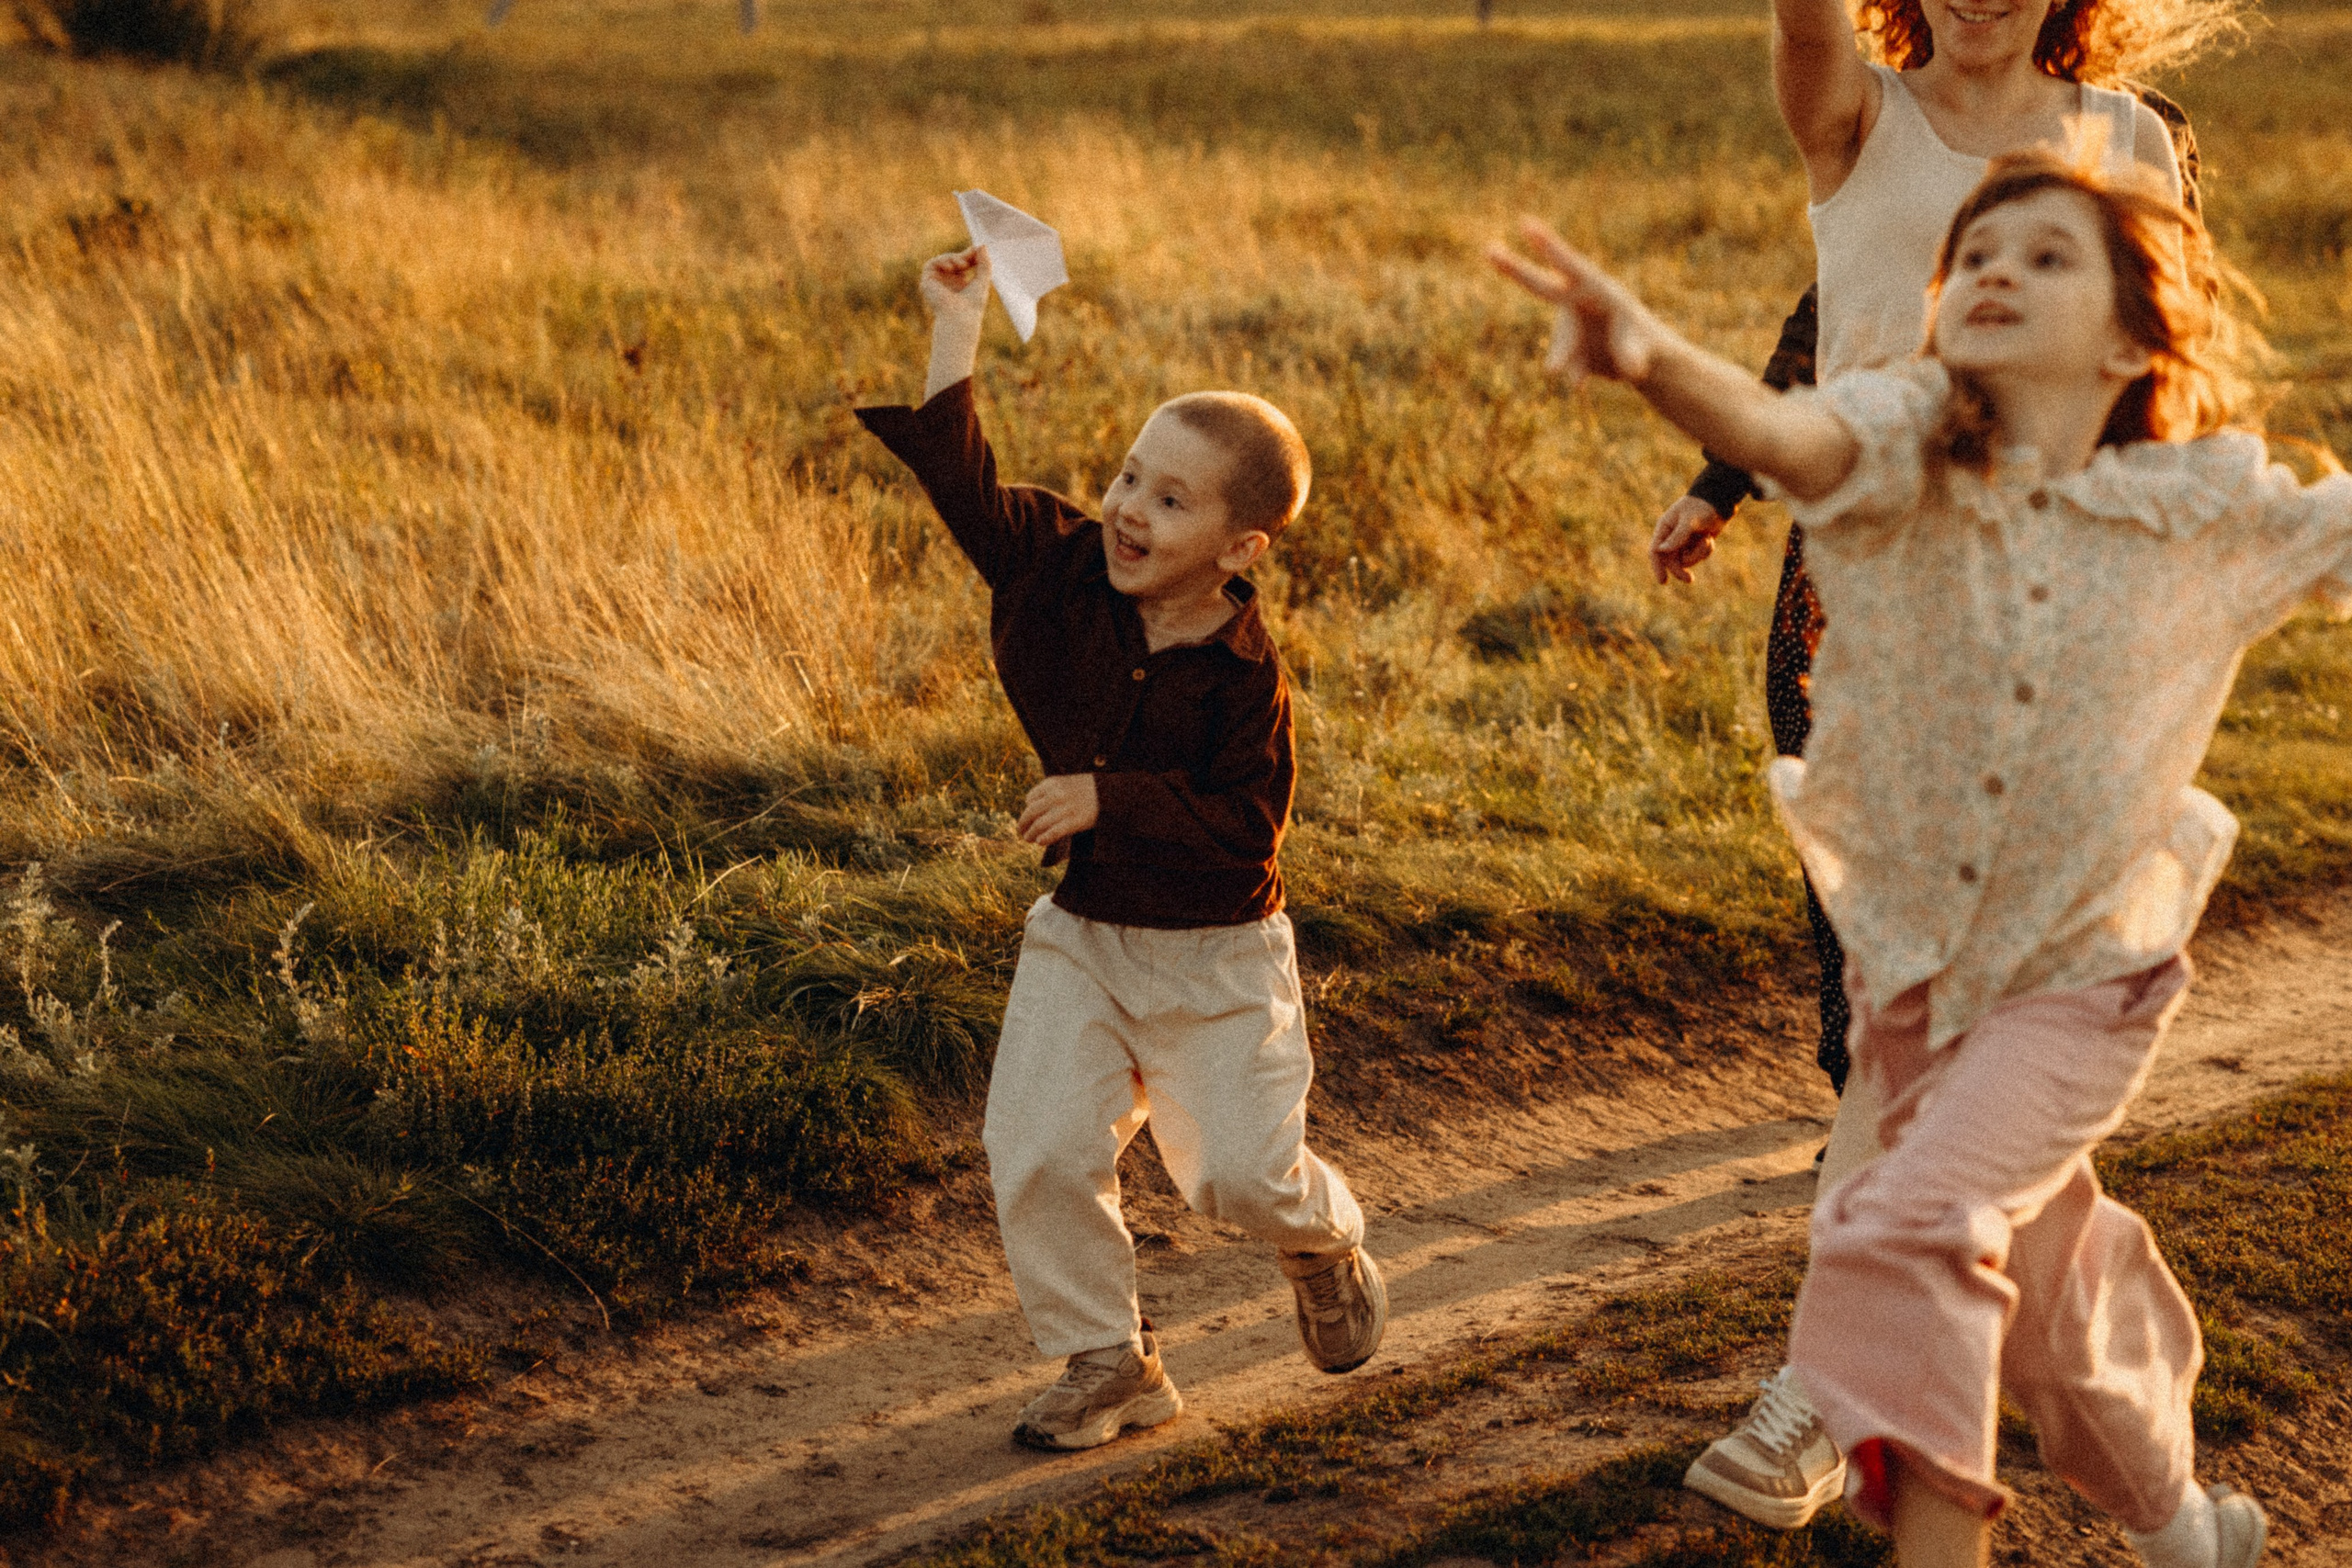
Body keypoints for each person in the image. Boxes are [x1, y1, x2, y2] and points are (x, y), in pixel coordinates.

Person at [1492, 146, 2335, 1567]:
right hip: (1919, 983)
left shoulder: (2203, 509)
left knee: (1906, 1221)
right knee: (2057, 1292)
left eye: (2047, 256)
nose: (1996, 271)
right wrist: (1651, 359)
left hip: (2085, 980)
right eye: (1976, 255)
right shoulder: (1896, 454)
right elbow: (1782, 435)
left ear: (2137, 333)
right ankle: (2185, 1523)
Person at [1635, 0, 2239, 1529]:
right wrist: (1726, 472)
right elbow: (1820, 317)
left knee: (1921, 1026)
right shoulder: (1856, 113)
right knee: (1900, 1031)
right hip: (1859, 626)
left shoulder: (2132, 142)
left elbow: (2172, 373)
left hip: (2053, 642)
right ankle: (2160, 1490)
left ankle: (1823, 1405)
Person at [854, 244, 1385, 1453]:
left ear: (1243, 547)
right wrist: (958, 324)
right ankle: (1110, 1362)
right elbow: (965, 484)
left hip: (1216, 964)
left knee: (1237, 1182)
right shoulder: (1057, 567)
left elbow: (1245, 830)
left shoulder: (1248, 682)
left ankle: (1323, 1238)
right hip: (1086, 939)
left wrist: (1112, 796)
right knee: (1037, 1148)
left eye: (1172, 500)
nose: (1131, 510)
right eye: (1130, 477)